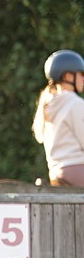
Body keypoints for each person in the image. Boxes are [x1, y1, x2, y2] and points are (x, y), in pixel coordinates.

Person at [33, 49, 84, 186]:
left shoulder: (48, 105)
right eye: (81, 74)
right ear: (68, 76)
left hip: (56, 174)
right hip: (78, 170)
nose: (83, 79)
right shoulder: (75, 103)